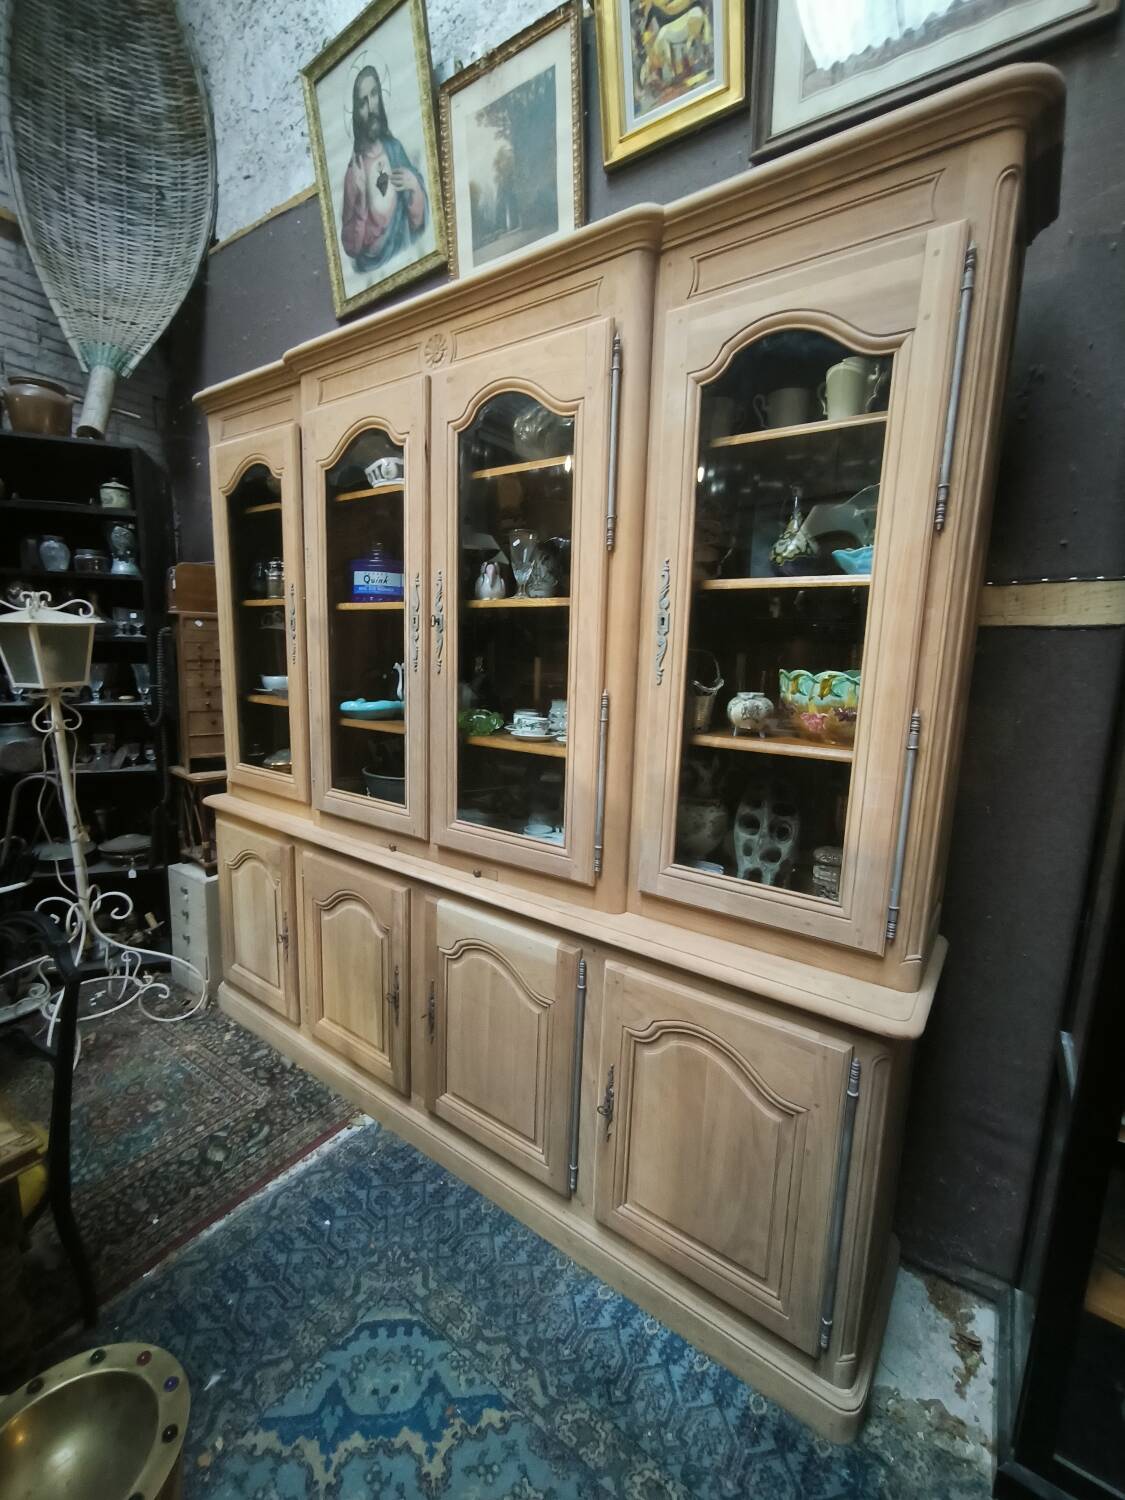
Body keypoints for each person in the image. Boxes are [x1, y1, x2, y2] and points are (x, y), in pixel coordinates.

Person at [340, 64, 427, 273]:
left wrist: (414, 186)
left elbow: (418, 224)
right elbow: (352, 248)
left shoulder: (395, 150)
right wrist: (361, 200)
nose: (371, 107)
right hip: (373, 267)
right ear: (355, 112)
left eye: (374, 94)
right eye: (362, 102)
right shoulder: (354, 173)